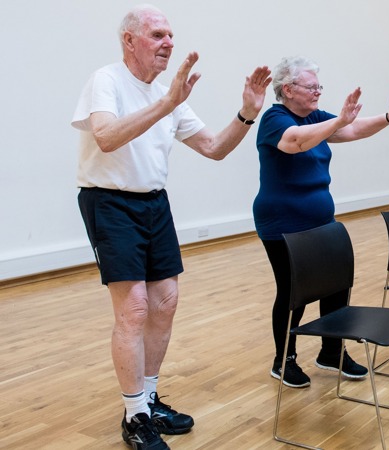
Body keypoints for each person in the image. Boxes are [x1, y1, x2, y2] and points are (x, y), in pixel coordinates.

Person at [72, 5, 271, 449]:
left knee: (165, 301)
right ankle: (134, 416)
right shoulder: (107, 81)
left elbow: (214, 148)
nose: (169, 43)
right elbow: (105, 137)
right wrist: (166, 103)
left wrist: (246, 113)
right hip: (109, 202)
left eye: (170, 35)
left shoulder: (169, 94)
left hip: (154, 203)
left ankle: (148, 397)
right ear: (130, 40)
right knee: (135, 308)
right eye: (158, 34)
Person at [254, 56, 389, 389]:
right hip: (282, 224)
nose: (318, 92)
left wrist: (388, 117)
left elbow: (349, 128)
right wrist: (336, 123)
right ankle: (284, 360)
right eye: (312, 87)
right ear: (288, 89)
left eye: (319, 86)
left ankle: (332, 352)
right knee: (295, 293)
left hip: (320, 221)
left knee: (337, 284)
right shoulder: (274, 118)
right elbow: (296, 142)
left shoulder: (316, 118)